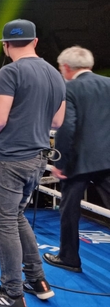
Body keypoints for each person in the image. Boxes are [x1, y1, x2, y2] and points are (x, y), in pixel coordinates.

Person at [0, 19, 65, 307]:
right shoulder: (54, 73)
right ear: (35, 41)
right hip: (37, 157)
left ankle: (12, 292)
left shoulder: (10, 71)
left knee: (4, 224)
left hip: (9, 158)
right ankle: (37, 280)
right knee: (16, 217)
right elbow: (57, 121)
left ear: (5, 45)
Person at [44, 46, 110, 273]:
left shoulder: (69, 88)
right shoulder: (108, 84)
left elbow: (66, 127)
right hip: (107, 159)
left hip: (78, 161)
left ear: (65, 67)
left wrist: (60, 162)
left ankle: (69, 257)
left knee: (69, 210)